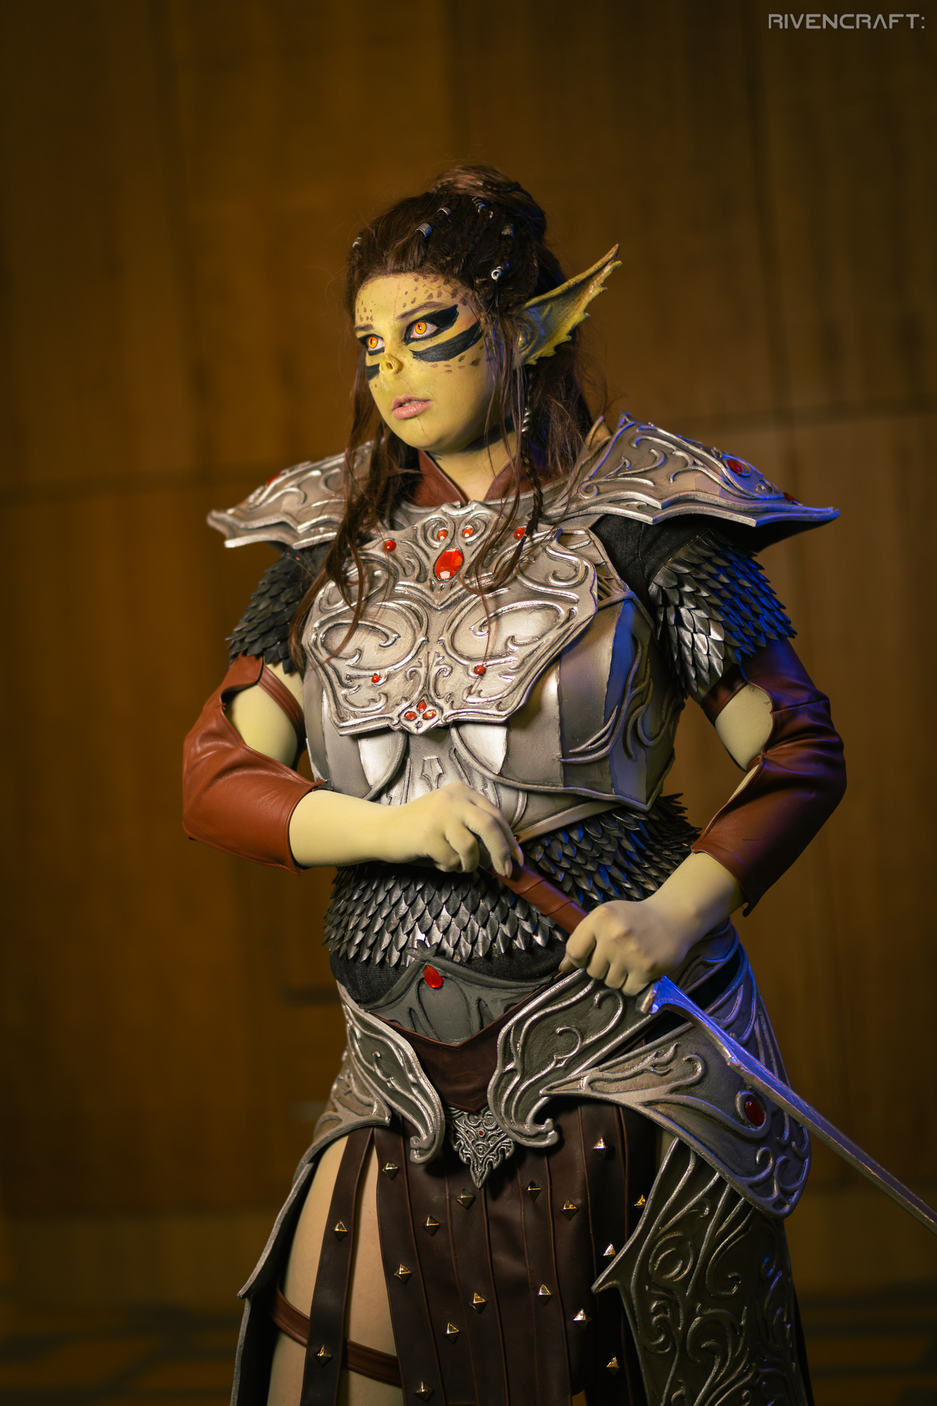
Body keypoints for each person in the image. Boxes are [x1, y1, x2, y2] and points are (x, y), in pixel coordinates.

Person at [183, 166, 845, 1406]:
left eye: (427, 329)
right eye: (370, 344)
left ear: (528, 325)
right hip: (394, 1060)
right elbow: (214, 774)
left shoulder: (644, 515)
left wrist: (676, 911)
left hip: (615, 1045)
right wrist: (391, 826)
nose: (391, 368)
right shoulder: (330, 540)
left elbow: (798, 749)